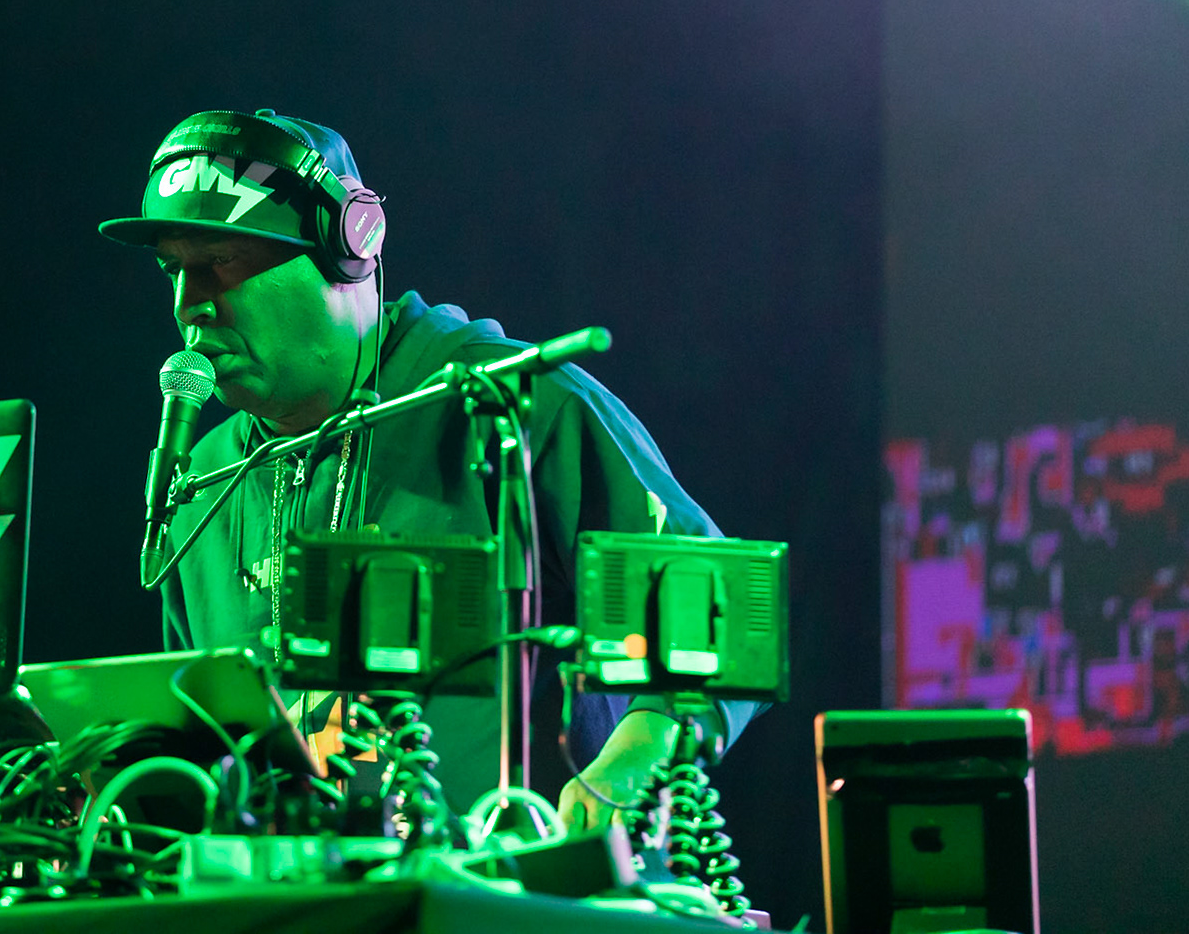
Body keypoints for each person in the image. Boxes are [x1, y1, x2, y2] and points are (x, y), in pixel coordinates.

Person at [99, 108, 760, 824]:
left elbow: (724, 618)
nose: (189, 304)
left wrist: (635, 761)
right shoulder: (201, 485)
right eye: (174, 269)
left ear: (350, 246)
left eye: (221, 263)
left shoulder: (510, 402)